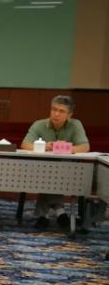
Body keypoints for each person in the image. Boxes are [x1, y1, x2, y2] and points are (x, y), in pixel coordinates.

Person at [20, 95, 90, 229]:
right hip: (39, 170)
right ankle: (59, 210)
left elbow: (85, 147)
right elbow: (25, 144)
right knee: (47, 173)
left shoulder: (76, 125)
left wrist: (66, 148)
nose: (56, 114)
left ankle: (43, 215)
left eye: (61, 111)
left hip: (66, 171)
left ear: (69, 114)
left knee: (52, 174)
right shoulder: (39, 124)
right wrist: (45, 146)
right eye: (54, 109)